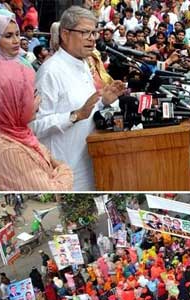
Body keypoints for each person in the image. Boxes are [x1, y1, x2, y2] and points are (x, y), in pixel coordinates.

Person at [32, 6, 125, 190]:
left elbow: (86, 111)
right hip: (67, 171)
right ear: (65, 34)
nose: (92, 38)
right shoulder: (50, 71)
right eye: (85, 32)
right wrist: (74, 116)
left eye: (94, 33)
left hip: (90, 160)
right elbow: (34, 127)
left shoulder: (82, 63)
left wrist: (103, 102)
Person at [0, 59, 74, 190]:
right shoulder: (8, 153)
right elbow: (57, 190)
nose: (40, 100)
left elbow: (46, 156)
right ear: (10, 101)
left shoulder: (7, 127)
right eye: (33, 95)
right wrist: (64, 169)